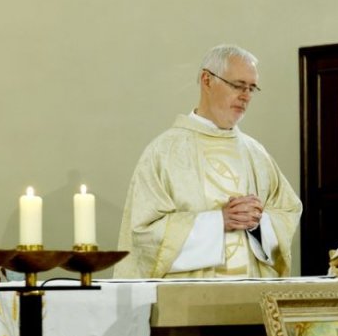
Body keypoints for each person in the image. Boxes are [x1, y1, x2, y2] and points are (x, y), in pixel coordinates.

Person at [115, 44, 301, 278]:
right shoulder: (164, 152)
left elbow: (288, 211)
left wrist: (257, 224)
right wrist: (217, 222)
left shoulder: (256, 154)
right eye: (238, 85)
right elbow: (143, 235)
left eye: (252, 88)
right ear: (207, 80)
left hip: (254, 300)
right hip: (189, 304)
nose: (245, 96)